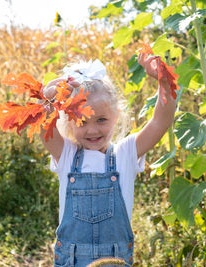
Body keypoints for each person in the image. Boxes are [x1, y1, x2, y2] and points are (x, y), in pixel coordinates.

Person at [40, 54, 177, 267]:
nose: (92, 130)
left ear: (116, 115)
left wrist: (164, 82)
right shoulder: (66, 154)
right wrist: (47, 99)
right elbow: (44, 128)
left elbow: (161, 121)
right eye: (82, 121)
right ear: (69, 119)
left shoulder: (127, 153)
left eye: (101, 120)